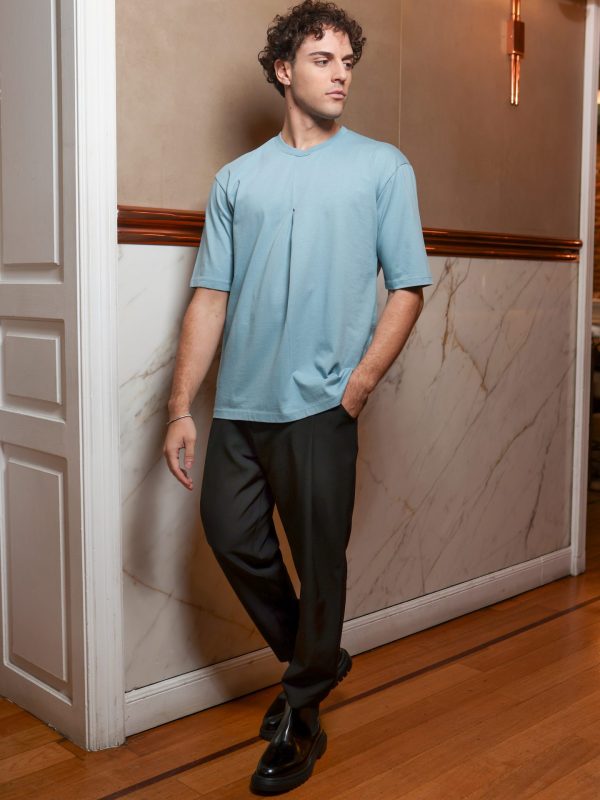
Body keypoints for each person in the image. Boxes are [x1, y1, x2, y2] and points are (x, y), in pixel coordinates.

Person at [163, 0, 433, 793]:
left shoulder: (384, 167)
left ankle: (302, 713)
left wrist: (359, 384)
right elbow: (209, 297)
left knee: (321, 566)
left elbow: (409, 287)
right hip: (240, 408)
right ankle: (315, 659)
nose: (341, 73)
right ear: (284, 70)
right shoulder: (237, 179)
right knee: (230, 535)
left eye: (348, 61)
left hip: (322, 408)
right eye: (323, 59)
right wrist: (180, 407)